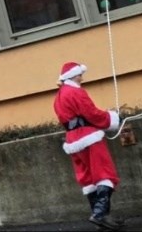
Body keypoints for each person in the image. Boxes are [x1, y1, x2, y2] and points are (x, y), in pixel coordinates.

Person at [53, 62, 124, 230]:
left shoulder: (59, 96)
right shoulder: (76, 92)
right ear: (72, 76)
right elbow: (91, 113)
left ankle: (103, 218)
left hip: (73, 139)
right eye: (79, 75)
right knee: (105, 173)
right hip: (89, 136)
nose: (82, 78)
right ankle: (99, 214)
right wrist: (112, 119)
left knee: (88, 177)